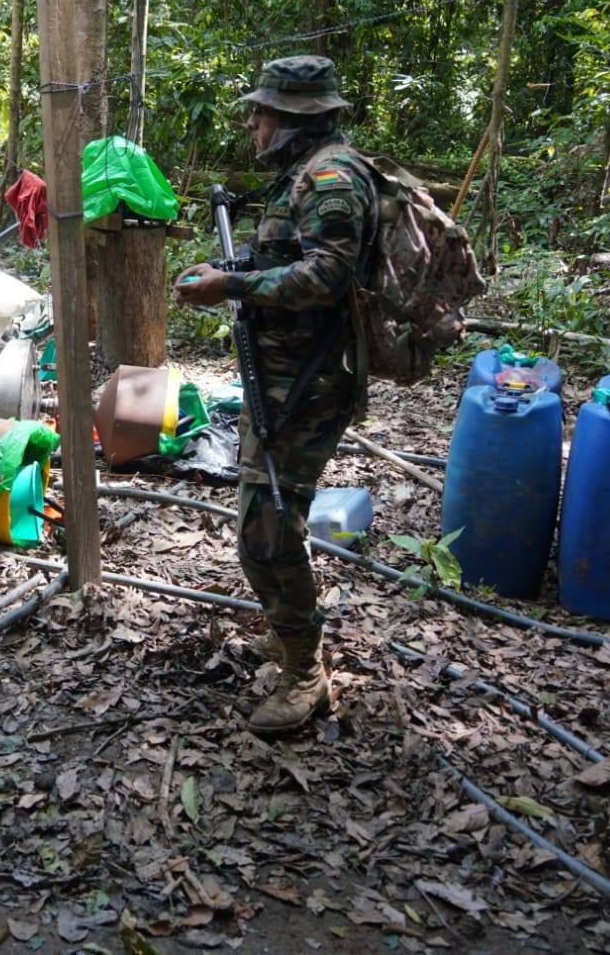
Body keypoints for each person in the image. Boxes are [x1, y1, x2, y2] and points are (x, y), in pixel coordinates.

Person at [173, 55, 375, 735]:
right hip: (284, 375)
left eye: (261, 113)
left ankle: (305, 672)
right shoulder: (301, 177)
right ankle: (289, 630)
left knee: (266, 528)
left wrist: (230, 286)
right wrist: (231, 271)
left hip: (309, 383)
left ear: (293, 119)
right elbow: (288, 262)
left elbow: (327, 276)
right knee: (269, 518)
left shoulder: (332, 178)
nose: (252, 124)